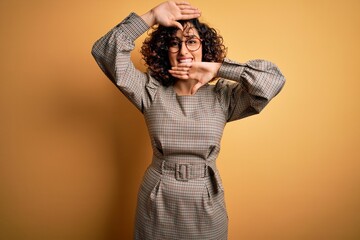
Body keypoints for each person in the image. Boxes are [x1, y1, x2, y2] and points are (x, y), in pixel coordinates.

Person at [91, 1, 285, 239]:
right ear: (165, 51)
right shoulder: (149, 90)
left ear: (205, 48)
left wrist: (219, 68)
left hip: (206, 201)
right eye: (174, 43)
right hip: (157, 200)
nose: (183, 51)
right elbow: (104, 51)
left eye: (192, 42)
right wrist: (151, 16)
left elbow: (273, 81)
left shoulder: (224, 96)